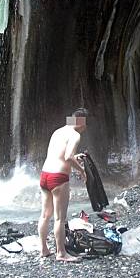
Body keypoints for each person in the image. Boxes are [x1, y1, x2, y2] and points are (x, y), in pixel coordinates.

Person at [38, 108, 88, 262]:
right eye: (85, 123)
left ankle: (44, 249)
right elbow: (67, 157)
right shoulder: (75, 135)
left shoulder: (58, 131)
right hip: (58, 178)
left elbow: (59, 154)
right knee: (60, 218)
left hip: (45, 175)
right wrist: (81, 171)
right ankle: (61, 253)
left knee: (45, 215)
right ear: (81, 121)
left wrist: (75, 157)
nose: (85, 127)